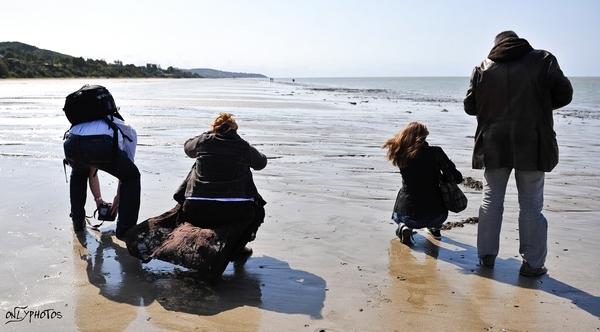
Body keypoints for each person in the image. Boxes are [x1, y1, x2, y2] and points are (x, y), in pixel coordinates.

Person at [464, 31, 573, 277]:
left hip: (494, 143)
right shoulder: (543, 60)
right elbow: (565, 94)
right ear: (520, 42)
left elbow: (470, 106)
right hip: (532, 142)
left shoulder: (483, 68)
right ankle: (533, 264)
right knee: (531, 205)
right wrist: (540, 106)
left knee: (491, 201)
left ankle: (486, 257)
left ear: (496, 45)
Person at [179, 112, 267, 264]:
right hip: (236, 210)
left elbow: (188, 147)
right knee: (258, 211)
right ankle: (238, 248)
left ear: (214, 128)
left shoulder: (204, 141)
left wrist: (207, 134)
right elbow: (261, 163)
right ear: (235, 129)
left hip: (196, 208)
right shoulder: (243, 146)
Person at [63, 86, 140, 240]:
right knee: (132, 177)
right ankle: (125, 230)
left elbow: (91, 170)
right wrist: (119, 197)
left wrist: (98, 200)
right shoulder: (123, 127)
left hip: (70, 142)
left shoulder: (80, 124)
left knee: (79, 174)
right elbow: (126, 175)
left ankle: (78, 224)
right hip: (100, 144)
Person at [383, 122, 462, 245]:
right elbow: (457, 178)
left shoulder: (400, 153)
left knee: (405, 192)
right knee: (435, 202)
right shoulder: (436, 152)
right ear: (425, 136)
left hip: (407, 213)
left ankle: (405, 227)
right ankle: (435, 229)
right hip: (436, 214)